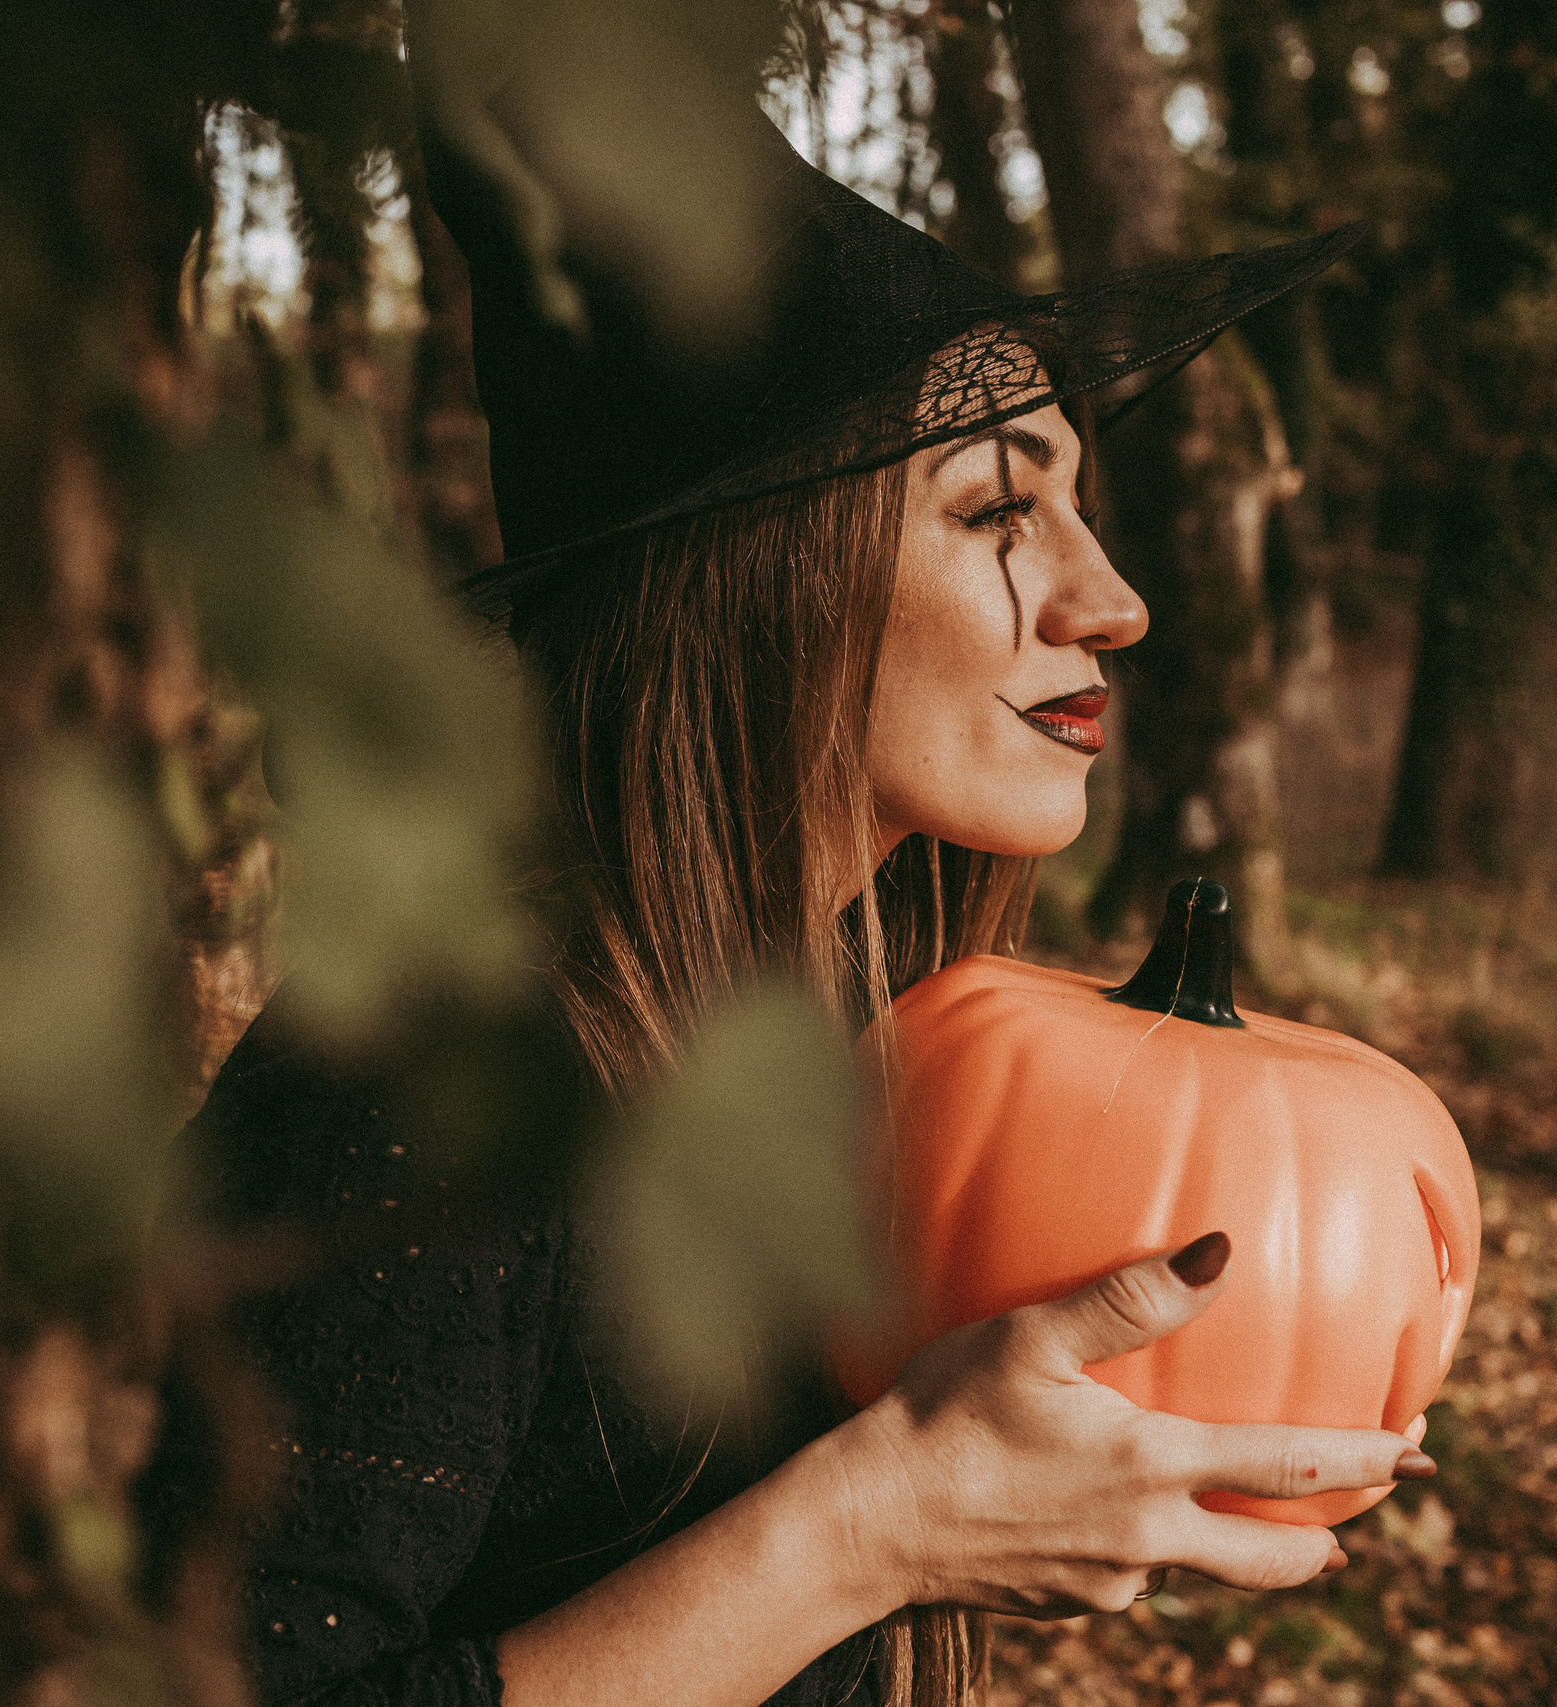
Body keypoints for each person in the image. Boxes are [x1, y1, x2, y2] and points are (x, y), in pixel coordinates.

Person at [181, 107, 1435, 1707]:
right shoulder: (419, 1092)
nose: (1113, 600)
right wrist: (881, 1526)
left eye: (1079, 508)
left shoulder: (872, 1039)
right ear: (762, 574)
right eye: (997, 513)